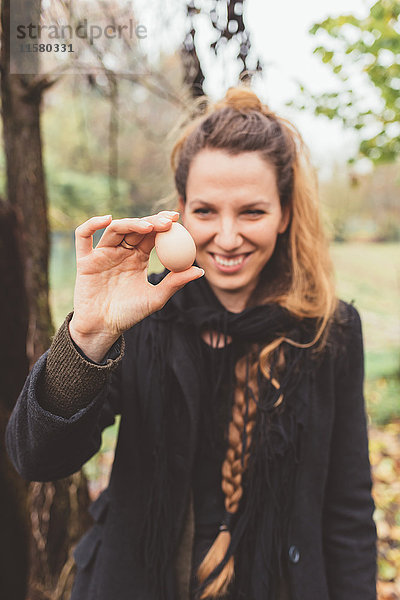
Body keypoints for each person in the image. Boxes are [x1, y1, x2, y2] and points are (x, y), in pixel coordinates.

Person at [5, 87, 377, 600]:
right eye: (205, 211)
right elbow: (36, 458)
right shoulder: (144, 315)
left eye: (252, 212)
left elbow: (348, 507)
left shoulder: (328, 330)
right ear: (180, 210)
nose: (227, 238)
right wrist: (89, 335)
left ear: (285, 214)